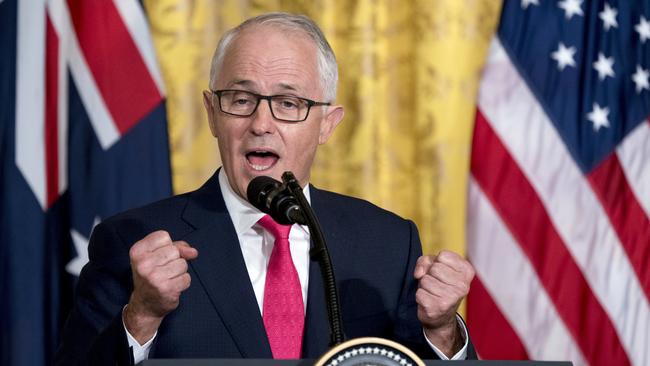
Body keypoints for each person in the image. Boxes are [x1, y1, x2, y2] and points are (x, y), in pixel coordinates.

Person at [55, 12, 477, 365]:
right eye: (240, 99)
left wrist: (441, 331)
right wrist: (141, 315)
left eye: (288, 104)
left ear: (327, 124)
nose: (261, 123)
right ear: (212, 114)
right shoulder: (132, 241)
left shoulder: (387, 243)